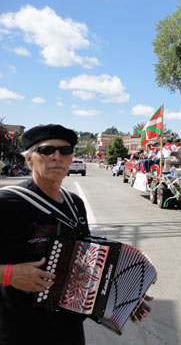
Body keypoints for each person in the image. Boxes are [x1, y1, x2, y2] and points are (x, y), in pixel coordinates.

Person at [0, 124, 152, 345]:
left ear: (72, 159)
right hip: (18, 332)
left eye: (65, 151)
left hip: (69, 332)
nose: (57, 156)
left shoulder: (75, 204)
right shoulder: (8, 203)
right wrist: (9, 274)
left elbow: (85, 265)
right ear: (29, 159)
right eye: (46, 150)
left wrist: (125, 298)